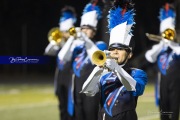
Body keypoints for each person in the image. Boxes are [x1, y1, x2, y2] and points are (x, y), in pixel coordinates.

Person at [81, 0, 148, 120]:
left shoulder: (137, 73)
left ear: (130, 54)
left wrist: (116, 68)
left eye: (120, 49)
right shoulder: (104, 75)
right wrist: (97, 69)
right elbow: (87, 91)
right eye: (112, 49)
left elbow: (135, 89)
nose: (115, 52)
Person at [145, 3, 180, 120]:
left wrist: (172, 43)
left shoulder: (177, 48)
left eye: (169, 32)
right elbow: (149, 57)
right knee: (164, 111)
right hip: (162, 82)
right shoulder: (158, 48)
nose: (167, 35)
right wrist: (162, 44)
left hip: (176, 83)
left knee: (174, 111)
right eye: (165, 33)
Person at [49, 6, 77, 120]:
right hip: (60, 76)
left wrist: (70, 38)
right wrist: (56, 41)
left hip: (70, 76)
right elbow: (48, 51)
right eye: (62, 31)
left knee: (71, 106)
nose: (63, 34)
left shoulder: (74, 41)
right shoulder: (59, 43)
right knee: (62, 106)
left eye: (66, 31)